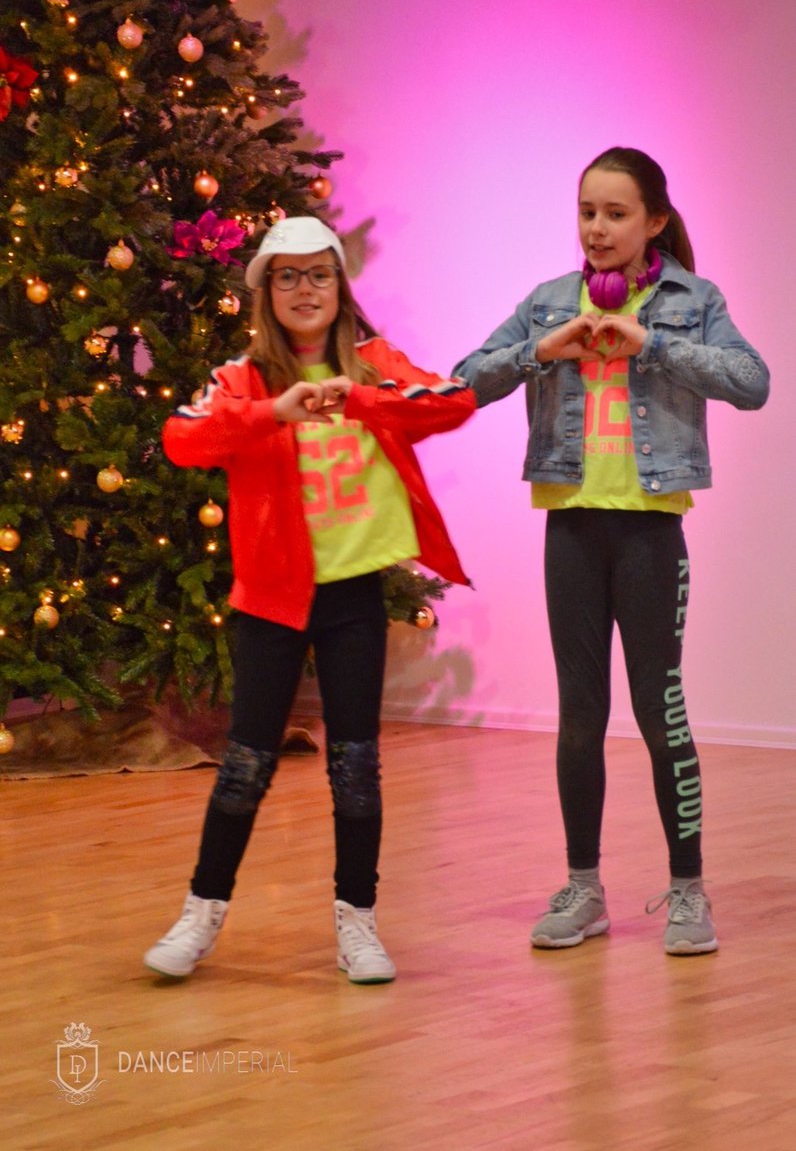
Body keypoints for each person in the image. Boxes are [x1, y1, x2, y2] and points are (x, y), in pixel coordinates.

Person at [453, 148, 769, 955]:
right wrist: (543, 350)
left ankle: (688, 891)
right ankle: (584, 889)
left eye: (616, 213)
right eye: (588, 211)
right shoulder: (548, 303)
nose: (597, 228)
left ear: (654, 221)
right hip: (572, 527)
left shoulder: (693, 301)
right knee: (580, 715)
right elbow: (461, 382)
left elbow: (752, 381)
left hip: (650, 532)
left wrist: (649, 344)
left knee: (662, 714)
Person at [145, 216, 474, 983]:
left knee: (356, 766)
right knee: (245, 765)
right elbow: (181, 438)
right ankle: (201, 914)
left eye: (318, 274)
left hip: (353, 595)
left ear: (339, 286)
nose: (304, 289)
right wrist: (275, 411)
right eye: (287, 276)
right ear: (266, 292)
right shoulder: (242, 378)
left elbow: (452, 401)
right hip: (270, 600)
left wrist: (359, 399)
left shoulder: (373, 364)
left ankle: (358, 923)